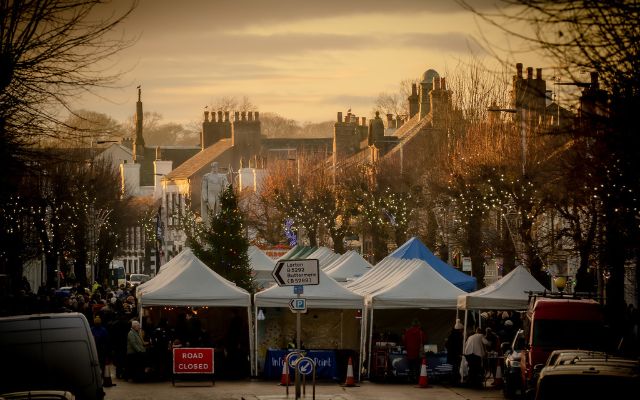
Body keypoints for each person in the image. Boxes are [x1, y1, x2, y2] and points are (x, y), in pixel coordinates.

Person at [445, 319, 464, 385]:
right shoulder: (458, 337)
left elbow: (446, 344)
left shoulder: (451, 335)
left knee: (454, 368)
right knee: (456, 368)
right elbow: (458, 346)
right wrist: (459, 354)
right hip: (455, 355)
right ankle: (455, 380)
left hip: (451, 354)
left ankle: (454, 380)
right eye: (462, 330)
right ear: (459, 330)